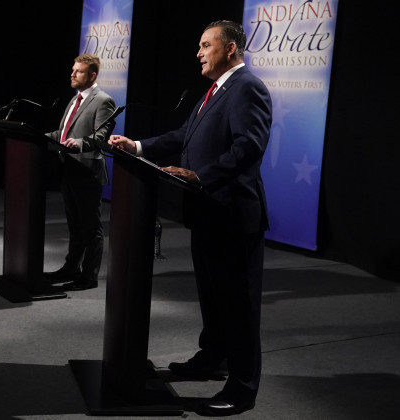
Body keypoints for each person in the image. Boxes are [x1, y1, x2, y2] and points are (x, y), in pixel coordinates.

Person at [109, 20, 271, 416]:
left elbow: (249, 146)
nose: (198, 53)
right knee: (214, 298)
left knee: (238, 305)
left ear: (230, 48)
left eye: (205, 45)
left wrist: (202, 176)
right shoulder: (215, 91)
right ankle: (212, 357)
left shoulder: (248, 87)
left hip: (234, 215)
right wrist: (138, 145)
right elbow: (184, 135)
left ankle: (243, 387)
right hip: (208, 212)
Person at [43, 54, 116, 291]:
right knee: (75, 227)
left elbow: (100, 136)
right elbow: (63, 134)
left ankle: (89, 276)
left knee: (90, 228)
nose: (72, 74)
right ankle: (70, 268)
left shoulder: (104, 101)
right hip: (68, 169)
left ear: (92, 75)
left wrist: (81, 143)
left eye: (79, 71)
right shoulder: (74, 100)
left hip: (86, 172)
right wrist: (36, 137)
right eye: (73, 70)